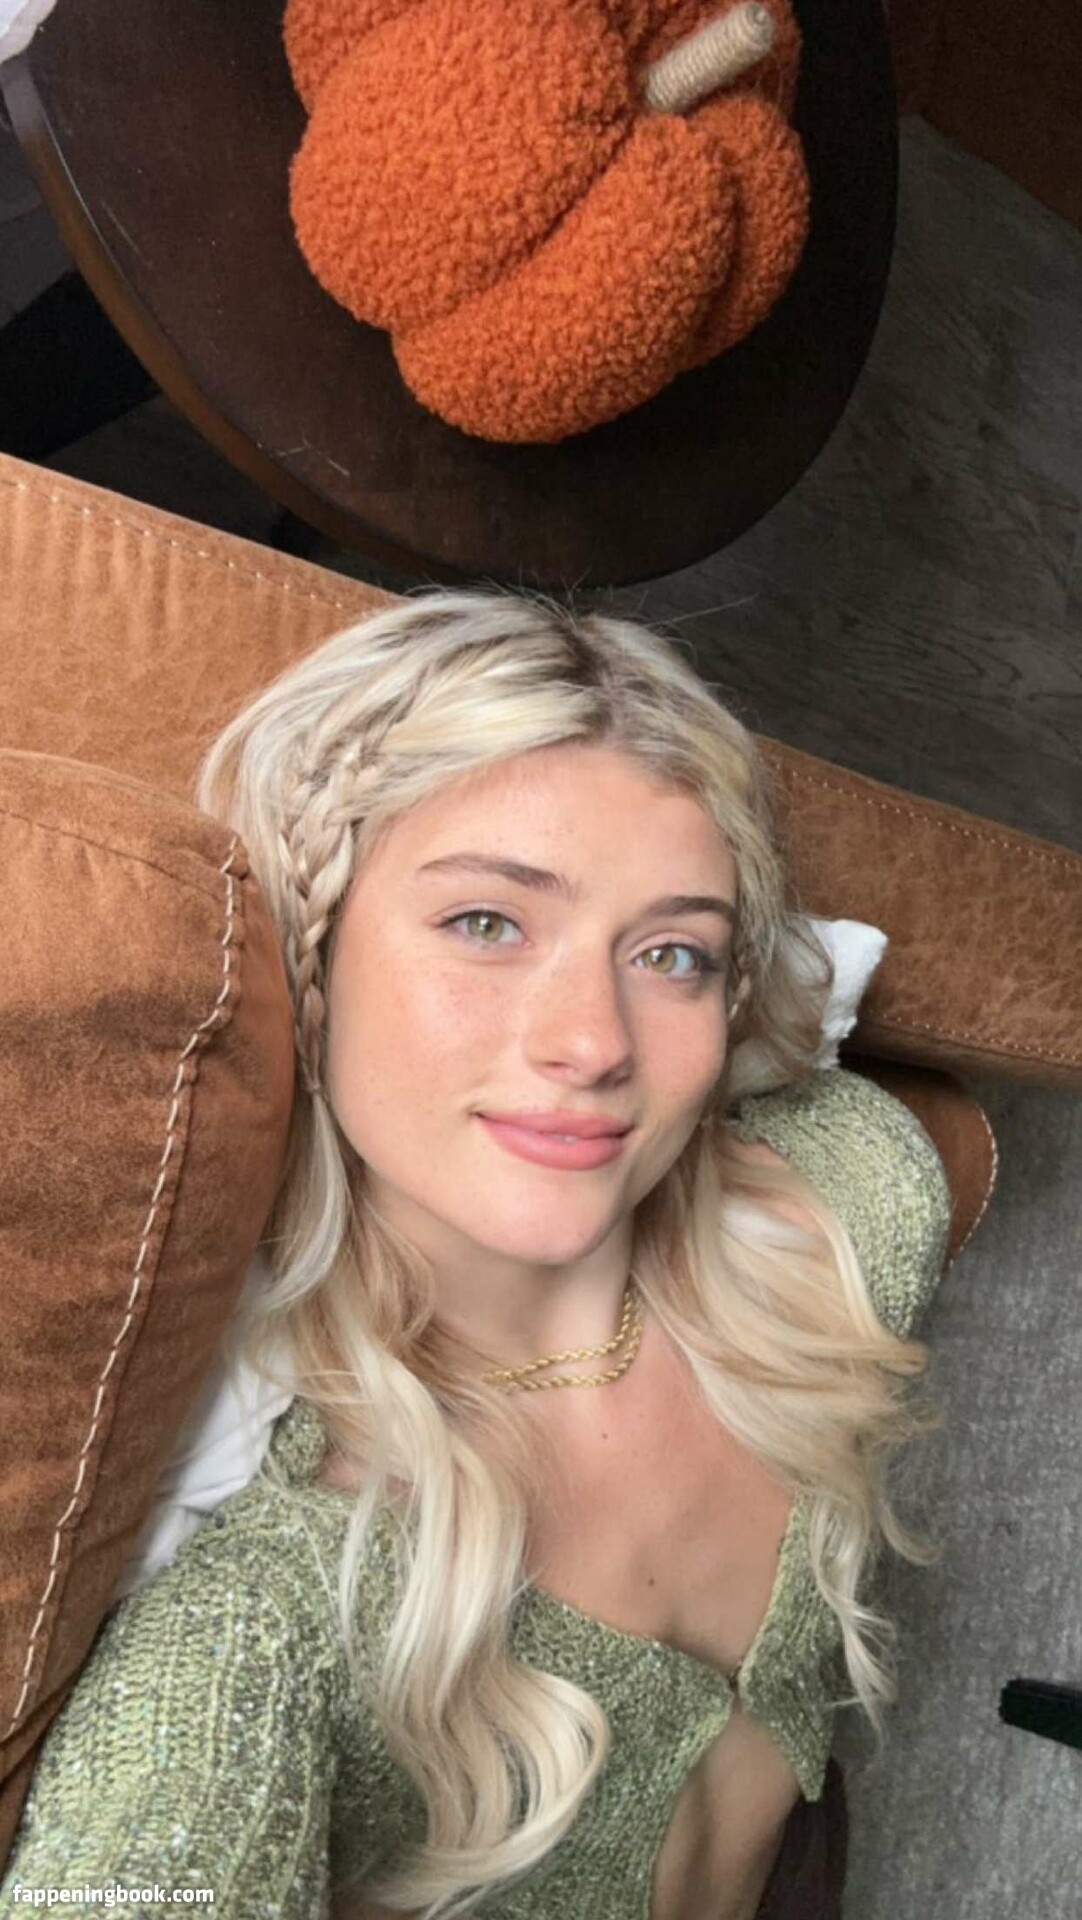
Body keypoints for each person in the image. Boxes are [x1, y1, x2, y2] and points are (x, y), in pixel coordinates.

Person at [0, 588, 951, 1920]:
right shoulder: (272, 1611)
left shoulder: (853, 1204)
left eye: (670, 954)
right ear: (311, 954)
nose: (594, 1042)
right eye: (487, 924)